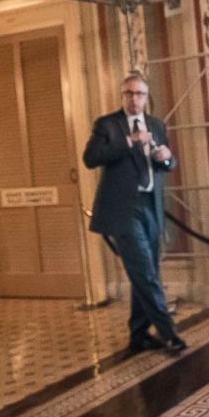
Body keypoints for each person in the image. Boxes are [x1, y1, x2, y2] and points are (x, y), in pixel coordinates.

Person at [83, 72, 186, 356]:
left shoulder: (156, 125)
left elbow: (168, 164)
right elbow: (90, 159)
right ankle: (170, 334)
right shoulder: (107, 124)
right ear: (122, 96)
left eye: (140, 94)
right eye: (129, 93)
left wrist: (166, 159)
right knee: (145, 272)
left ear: (146, 97)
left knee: (146, 271)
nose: (134, 99)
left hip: (150, 207)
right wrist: (129, 141)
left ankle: (139, 335)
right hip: (122, 210)